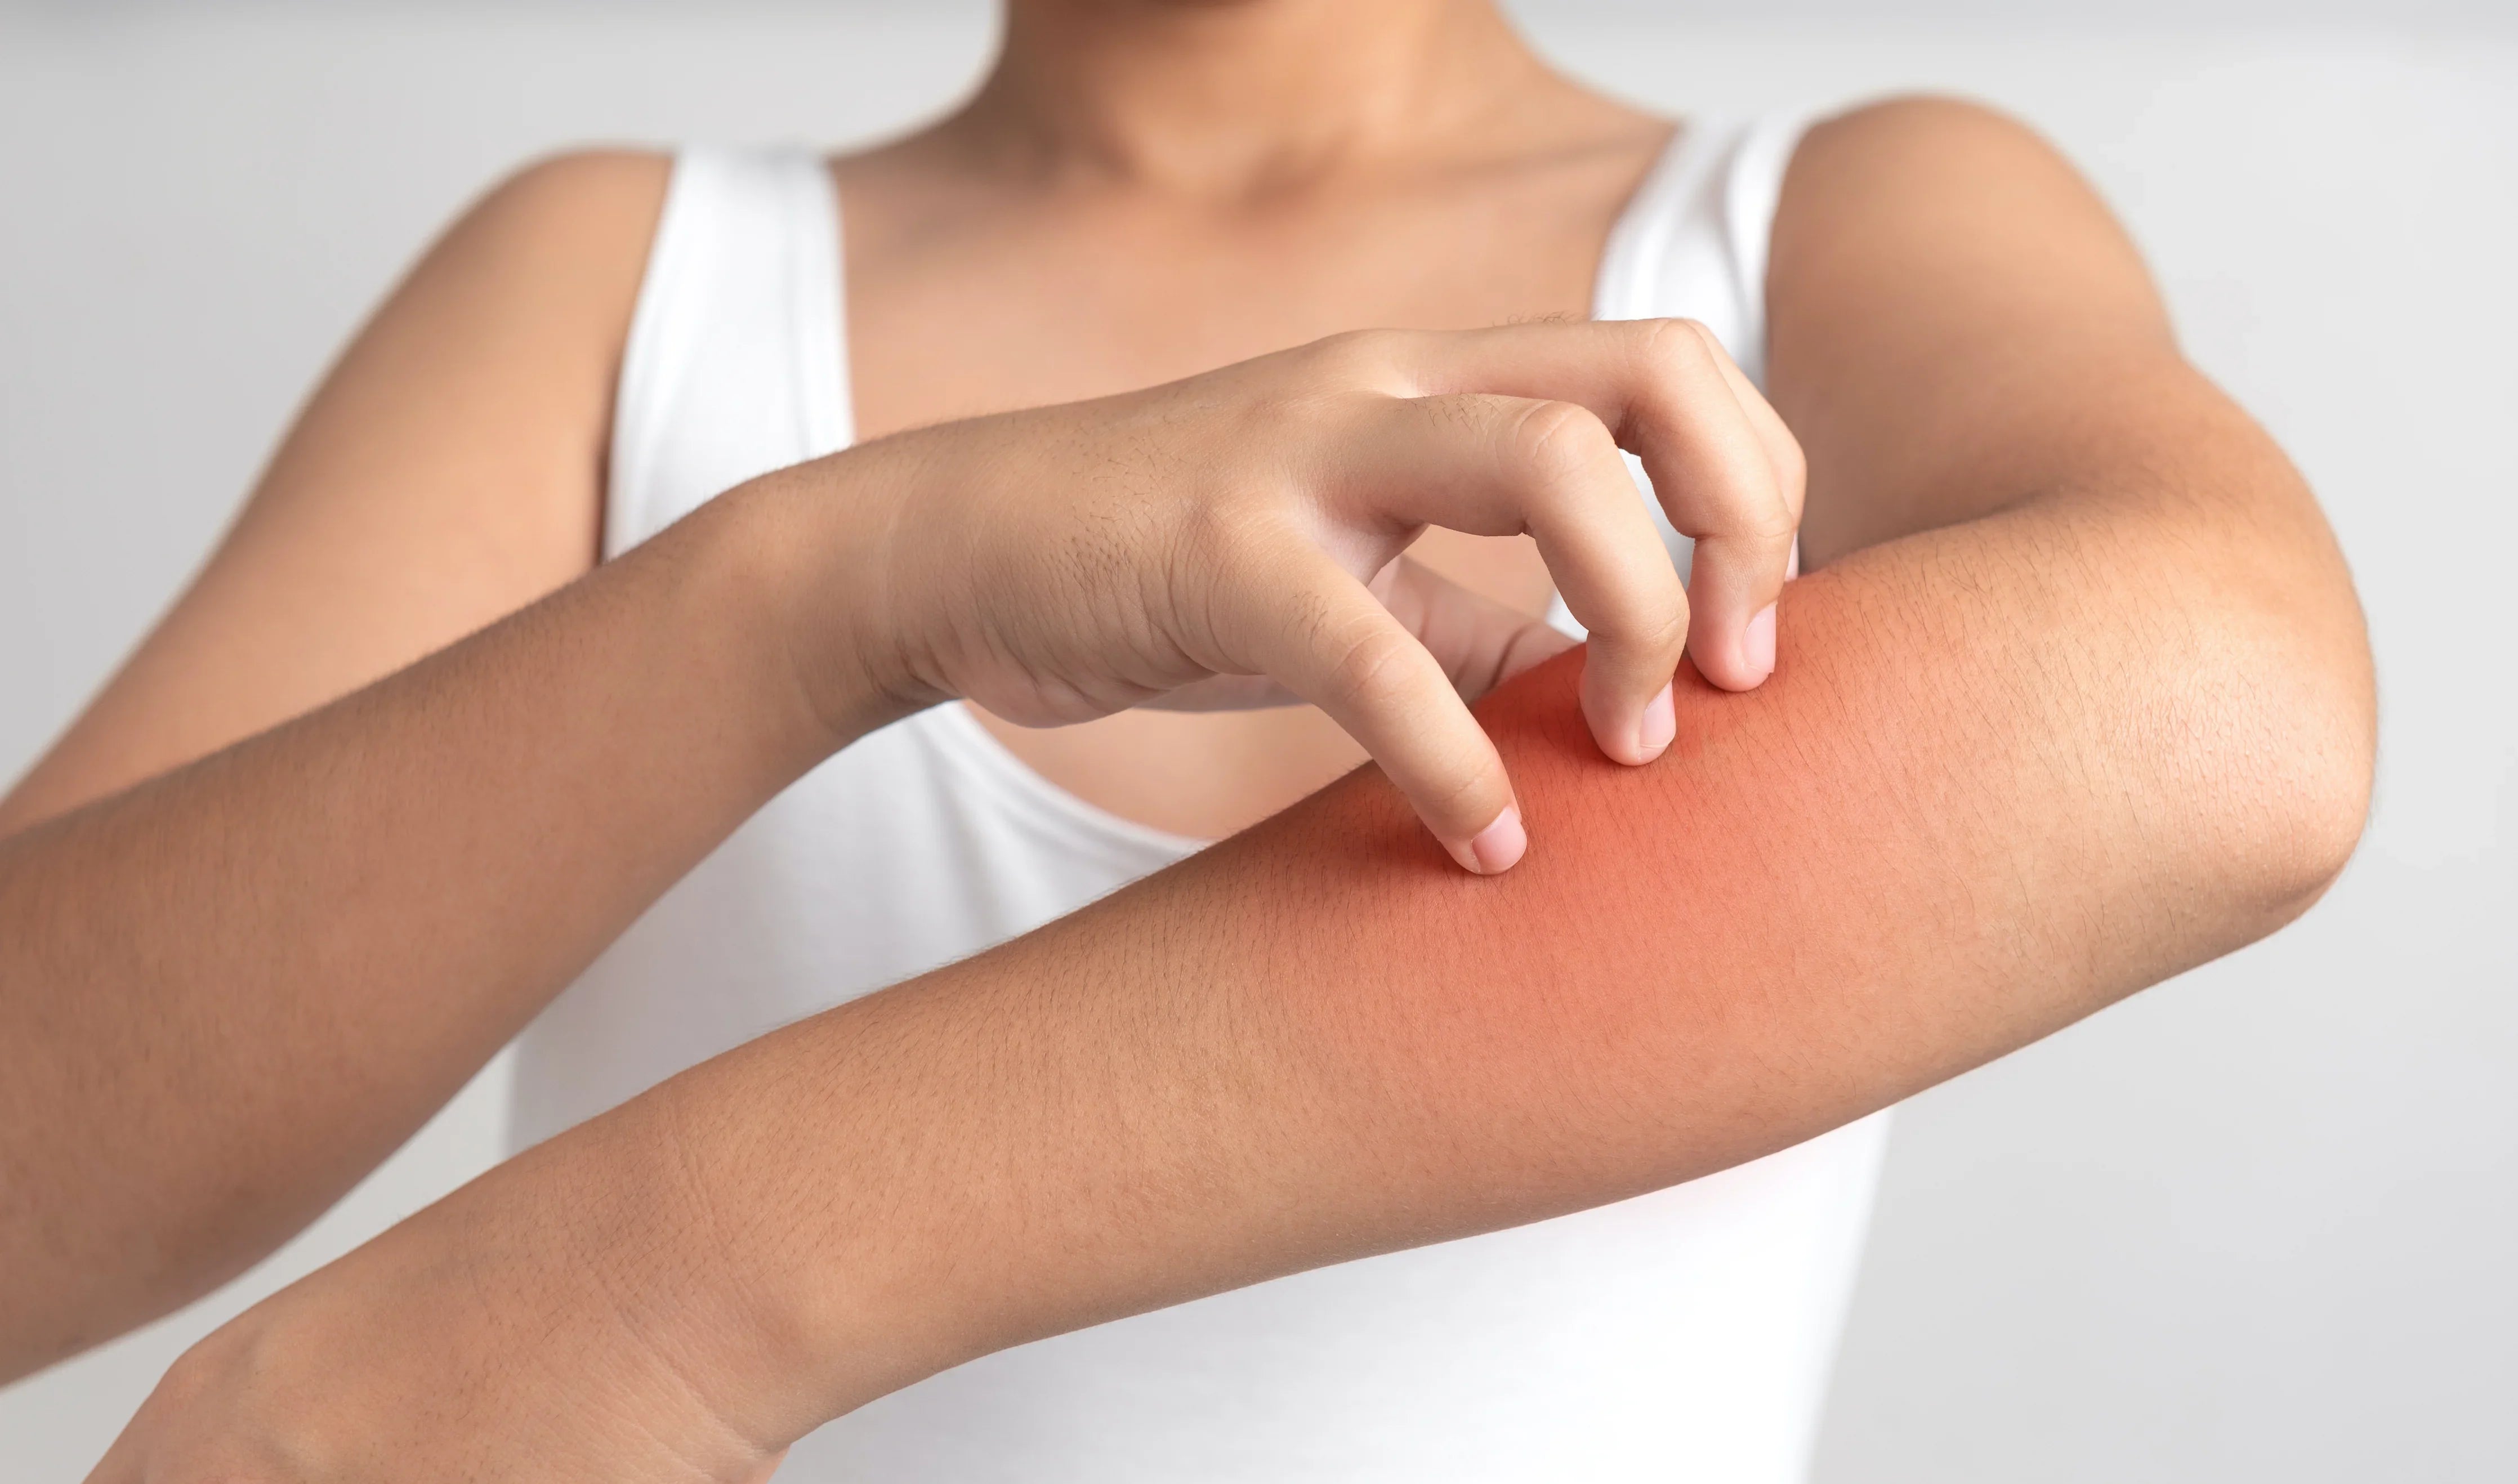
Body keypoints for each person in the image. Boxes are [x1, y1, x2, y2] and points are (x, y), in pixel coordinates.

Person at [0, 1, 2373, 1480]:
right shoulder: (615, 289)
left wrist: (641, 1289)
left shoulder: (1814, 230)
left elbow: (2214, 705)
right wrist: (831, 583)